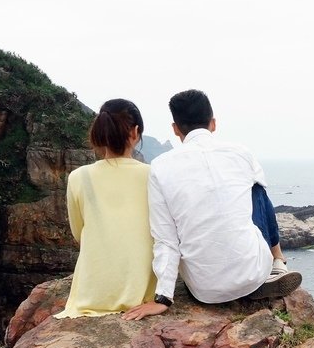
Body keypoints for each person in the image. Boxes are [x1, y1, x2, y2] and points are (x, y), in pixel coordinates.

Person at [122, 89, 300, 321]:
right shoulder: (241, 153)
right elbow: (260, 205)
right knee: (257, 188)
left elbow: (165, 238)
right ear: (213, 123)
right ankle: (277, 262)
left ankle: (258, 271)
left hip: (204, 290)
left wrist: (163, 298)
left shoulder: (160, 167)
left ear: (176, 129)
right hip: (254, 273)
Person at [54, 99, 156, 318]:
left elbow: (77, 232)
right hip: (141, 291)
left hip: (93, 293)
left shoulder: (79, 177)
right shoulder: (152, 175)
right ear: (135, 132)